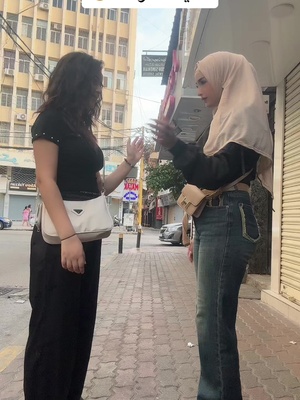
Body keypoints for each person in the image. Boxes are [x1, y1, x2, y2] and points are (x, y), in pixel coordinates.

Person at [150, 51, 273, 400]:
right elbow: (209, 177)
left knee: (213, 322)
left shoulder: (244, 115)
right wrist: (195, 232)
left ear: (225, 77)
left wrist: (175, 145)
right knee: (211, 320)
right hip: (216, 217)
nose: (199, 88)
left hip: (229, 216)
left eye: (204, 81)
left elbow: (216, 172)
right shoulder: (226, 118)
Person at [23, 51, 143, 400]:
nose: (99, 91)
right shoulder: (50, 121)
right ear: (77, 81)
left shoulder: (83, 128)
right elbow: (45, 181)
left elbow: (99, 188)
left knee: (78, 329)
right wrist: (68, 236)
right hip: (60, 239)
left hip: (84, 240)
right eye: (95, 83)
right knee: (51, 332)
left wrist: (129, 163)